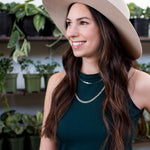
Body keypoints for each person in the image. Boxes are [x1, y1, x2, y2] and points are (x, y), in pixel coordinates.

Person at [40, 0, 150, 150]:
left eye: (83, 22)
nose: (70, 33)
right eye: (69, 23)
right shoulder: (57, 84)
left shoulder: (139, 83)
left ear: (107, 28)